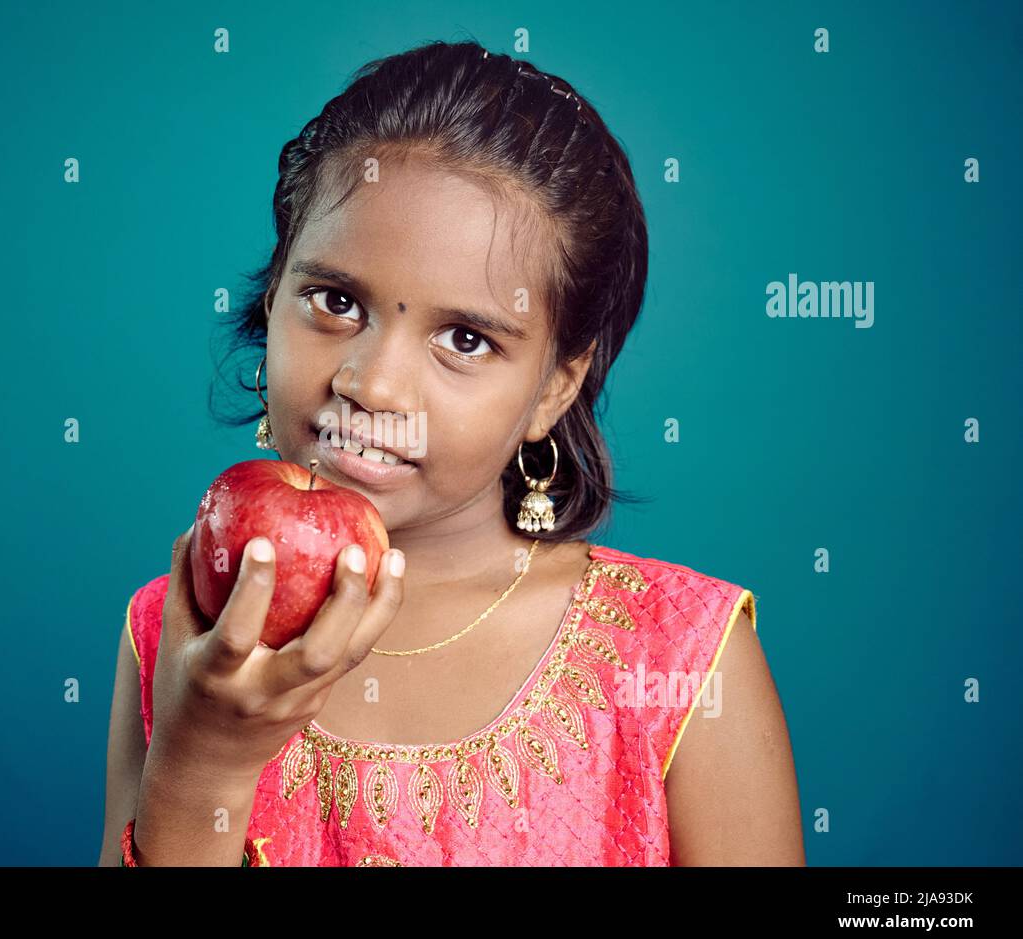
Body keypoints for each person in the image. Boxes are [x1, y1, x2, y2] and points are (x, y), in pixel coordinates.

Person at [100, 39, 804, 866]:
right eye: (334, 301)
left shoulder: (680, 660)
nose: (373, 384)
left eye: (466, 339)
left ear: (554, 389)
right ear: (271, 297)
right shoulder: (181, 630)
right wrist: (200, 767)